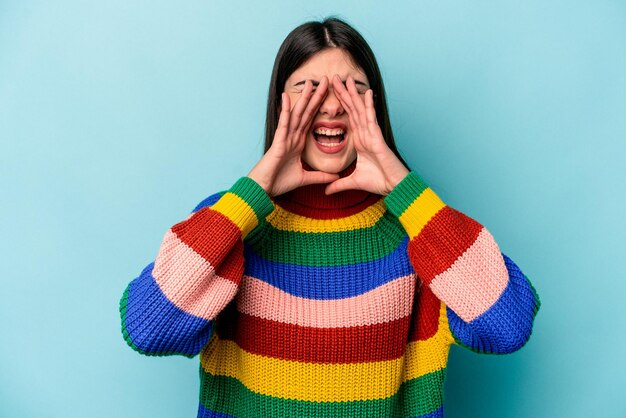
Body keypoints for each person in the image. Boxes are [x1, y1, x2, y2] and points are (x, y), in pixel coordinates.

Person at [119, 16, 541, 418]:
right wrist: (252, 192)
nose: (333, 105)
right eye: (309, 88)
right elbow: (147, 327)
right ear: (280, 105)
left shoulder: (422, 229)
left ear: (374, 109)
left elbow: (508, 326)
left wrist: (403, 188)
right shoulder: (233, 222)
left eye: (352, 89)